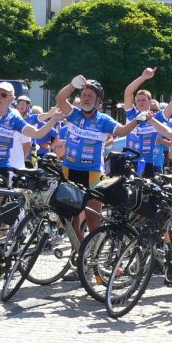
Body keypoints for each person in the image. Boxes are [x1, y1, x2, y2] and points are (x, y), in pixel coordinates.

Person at [53, 75, 145, 236]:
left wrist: (137, 120)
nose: (86, 98)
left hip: (92, 173)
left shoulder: (104, 120)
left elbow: (122, 131)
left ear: (98, 102)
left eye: (90, 95)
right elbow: (60, 99)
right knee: (71, 220)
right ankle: (81, 250)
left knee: (92, 219)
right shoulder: (74, 114)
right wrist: (72, 85)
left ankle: (94, 249)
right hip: (69, 170)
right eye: (84, 95)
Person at [122, 68, 172, 178]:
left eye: (144, 100)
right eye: (138, 100)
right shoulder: (131, 114)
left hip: (148, 162)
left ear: (150, 102)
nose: (140, 102)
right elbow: (128, 92)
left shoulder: (157, 117)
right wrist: (143, 77)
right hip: (129, 161)